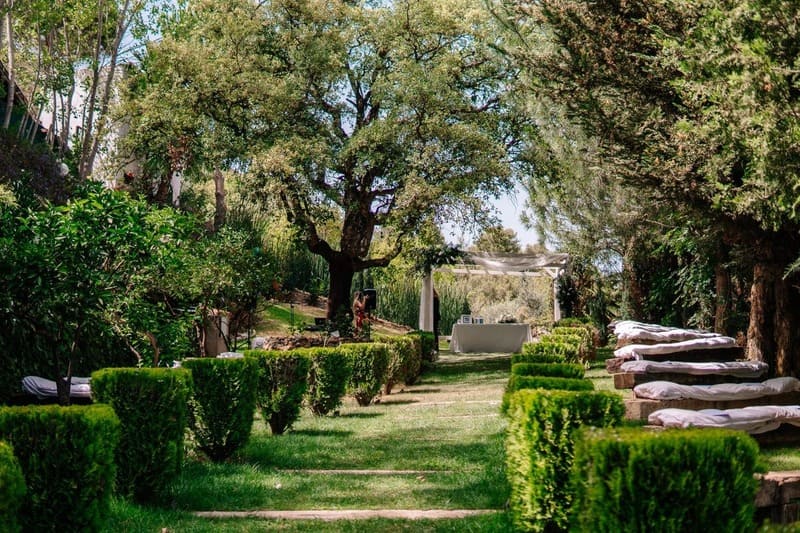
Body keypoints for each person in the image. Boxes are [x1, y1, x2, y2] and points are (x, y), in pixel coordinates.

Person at [432, 288, 441, 353]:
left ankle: (435, 346)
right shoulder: (437, 298)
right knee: (435, 332)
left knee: (435, 332)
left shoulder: (434, 299)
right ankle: (436, 346)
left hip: (434, 317)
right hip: (436, 317)